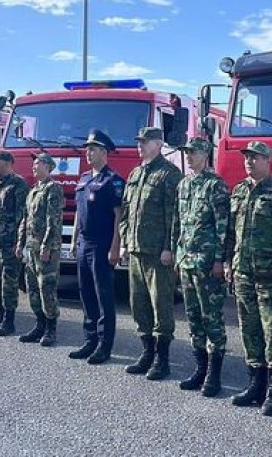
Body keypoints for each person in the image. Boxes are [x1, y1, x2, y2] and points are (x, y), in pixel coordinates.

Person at [225, 141, 272, 413]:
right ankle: (255, 385)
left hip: (270, 276)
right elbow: (232, 232)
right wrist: (229, 261)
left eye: (256, 158)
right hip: (243, 272)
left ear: (269, 161)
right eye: (247, 157)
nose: (250, 162)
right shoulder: (239, 191)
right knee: (250, 330)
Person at [120, 126, 182, 380]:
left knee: (161, 306)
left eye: (145, 142)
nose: (140, 146)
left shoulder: (169, 174)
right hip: (135, 249)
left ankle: (162, 359)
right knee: (139, 304)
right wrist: (124, 240)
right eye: (139, 142)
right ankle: (146, 353)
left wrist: (169, 246)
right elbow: (126, 210)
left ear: (158, 144)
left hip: (158, 252)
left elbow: (174, 215)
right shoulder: (136, 173)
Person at [175, 137, 231, 397]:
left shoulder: (215, 185)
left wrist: (220, 259)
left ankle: (214, 375)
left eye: (193, 152)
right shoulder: (184, 184)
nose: (189, 156)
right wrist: (178, 255)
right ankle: (199, 368)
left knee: (212, 320)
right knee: (194, 319)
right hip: (187, 261)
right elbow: (180, 222)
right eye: (187, 152)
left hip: (207, 264)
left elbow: (223, 227)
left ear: (205, 154)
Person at [69, 129, 124, 364]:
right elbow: (78, 213)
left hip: (102, 244)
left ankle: (104, 345)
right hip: (84, 243)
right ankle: (89, 340)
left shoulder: (113, 181)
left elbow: (118, 217)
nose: (87, 153)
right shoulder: (83, 179)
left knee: (104, 295)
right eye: (87, 149)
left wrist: (115, 247)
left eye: (92, 149)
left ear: (104, 152)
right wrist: (73, 240)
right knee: (86, 293)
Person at [16, 153, 64, 347]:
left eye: (39, 164)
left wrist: (47, 245)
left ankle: (51, 329)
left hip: (45, 249)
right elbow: (25, 219)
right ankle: (39, 325)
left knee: (47, 288)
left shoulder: (54, 188)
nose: (34, 167)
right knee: (32, 288)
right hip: (30, 247)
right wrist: (20, 243)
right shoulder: (33, 190)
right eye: (34, 164)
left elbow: (54, 220)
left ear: (48, 167)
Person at [0, 151, 28, 337]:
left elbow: (22, 215)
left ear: (9, 162)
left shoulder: (18, 184)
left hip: (9, 242)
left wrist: (19, 242)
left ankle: (9, 321)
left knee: (8, 282)